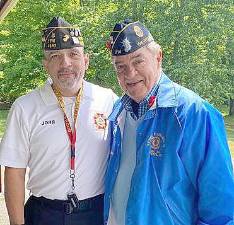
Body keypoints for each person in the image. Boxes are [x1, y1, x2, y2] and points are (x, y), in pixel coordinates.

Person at [104, 19, 234, 225]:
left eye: (138, 61)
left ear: (158, 57)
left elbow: (221, 210)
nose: (129, 73)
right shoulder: (117, 112)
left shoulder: (194, 113)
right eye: (120, 66)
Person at [0, 17, 117, 225]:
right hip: (44, 214)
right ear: (46, 65)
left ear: (86, 60)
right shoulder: (25, 107)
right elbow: (14, 172)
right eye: (56, 56)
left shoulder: (108, 100)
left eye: (73, 55)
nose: (66, 63)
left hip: (95, 214)